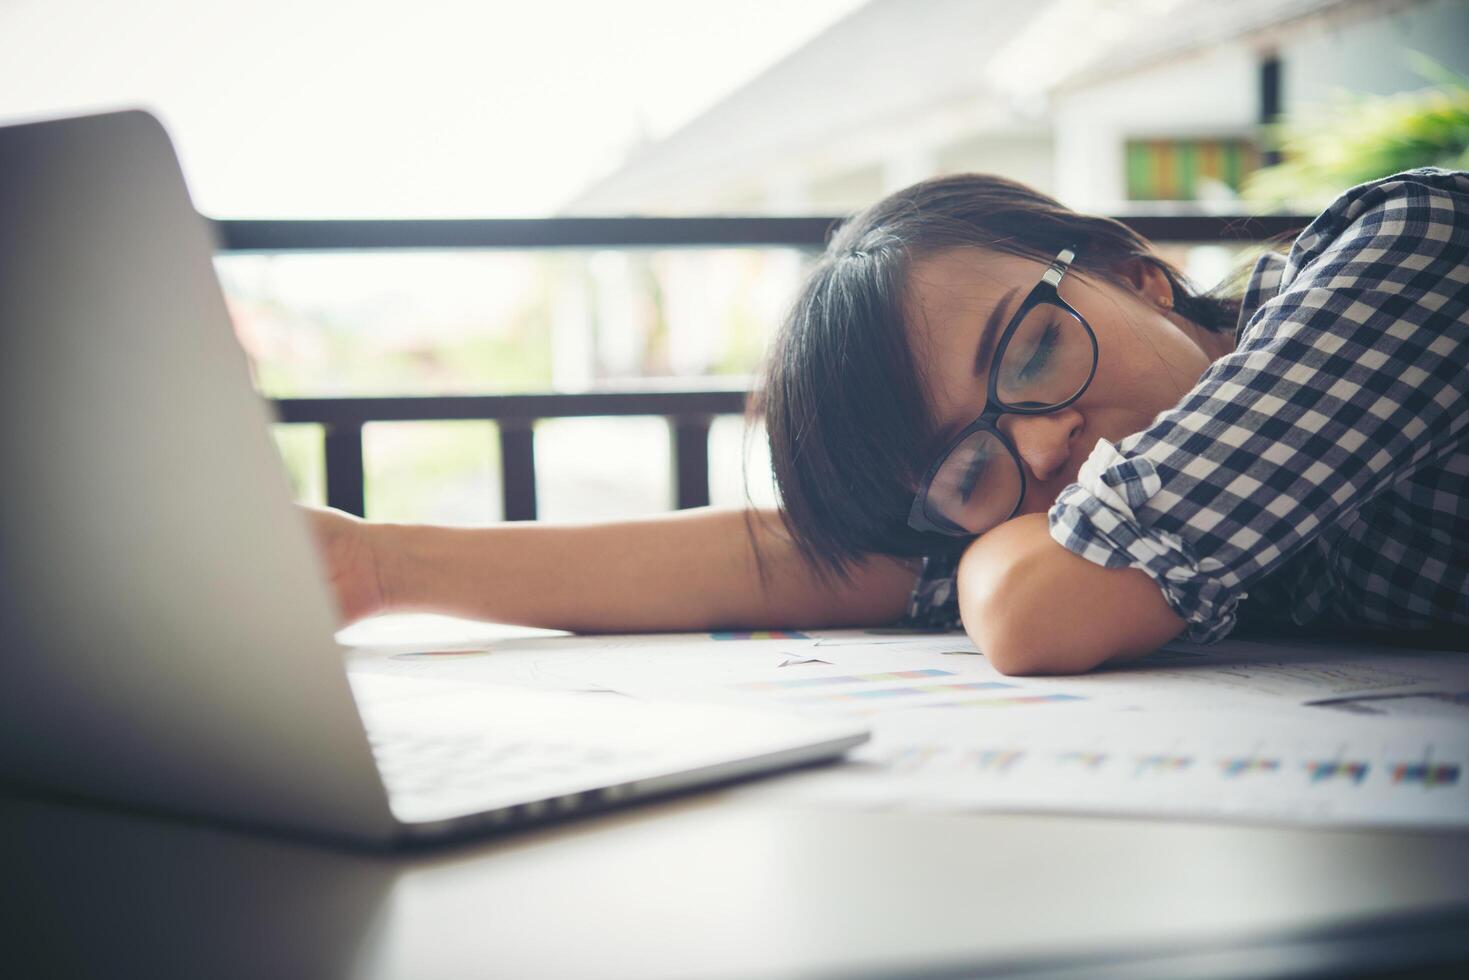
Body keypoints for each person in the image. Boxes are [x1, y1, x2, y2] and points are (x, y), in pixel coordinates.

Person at [305, 167, 1469, 675]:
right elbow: (794, 561)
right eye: (968, 466)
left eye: (1031, 345)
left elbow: (1034, 606)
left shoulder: (1405, 255)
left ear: (1132, 271)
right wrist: (378, 563)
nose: (1040, 443)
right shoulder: (1118, 518)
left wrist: (995, 542)